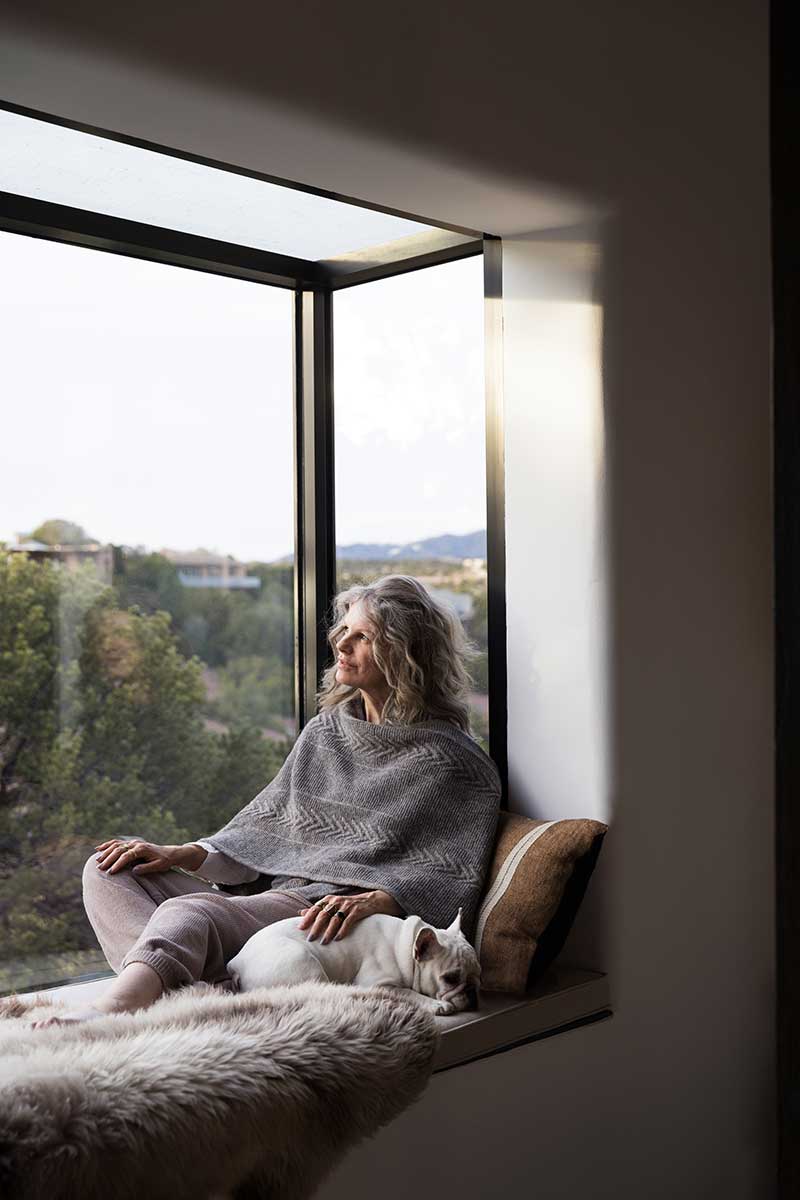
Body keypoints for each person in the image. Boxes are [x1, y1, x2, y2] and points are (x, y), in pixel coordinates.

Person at [36, 575, 501, 1026]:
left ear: (405, 652)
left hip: (318, 921)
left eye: (362, 637)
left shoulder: (452, 763)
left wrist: (379, 899)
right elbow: (263, 838)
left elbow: (450, 884)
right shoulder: (326, 733)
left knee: (189, 915)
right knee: (108, 870)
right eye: (343, 632)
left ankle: (113, 1010)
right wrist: (182, 854)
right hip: (263, 904)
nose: (341, 645)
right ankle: (210, 995)